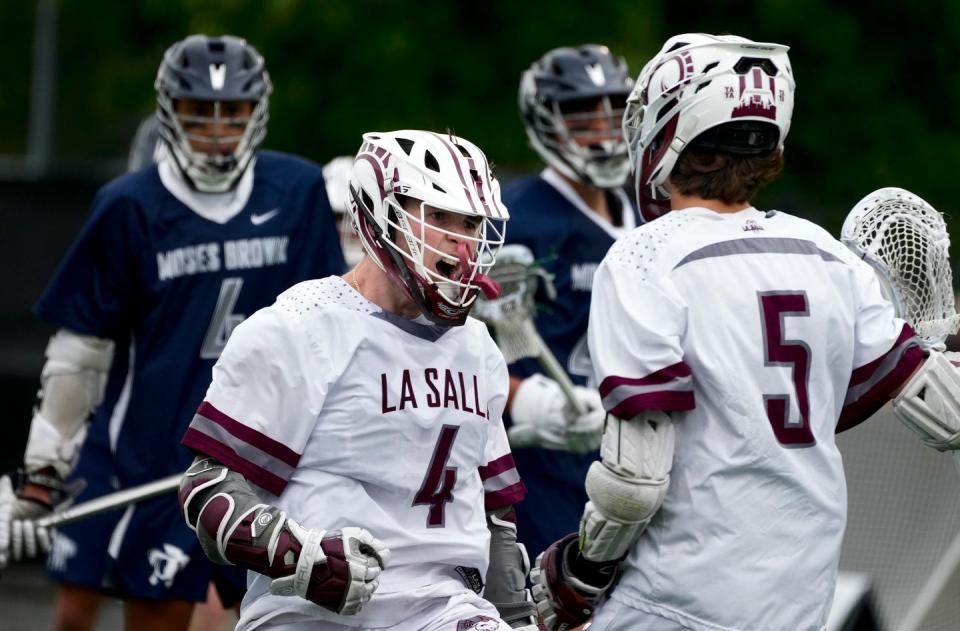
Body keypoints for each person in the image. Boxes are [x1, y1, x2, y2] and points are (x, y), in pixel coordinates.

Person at [531, 33, 960, 631]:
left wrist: (583, 568)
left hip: (673, 601)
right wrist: (938, 338)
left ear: (668, 125)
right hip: (801, 601)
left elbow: (635, 481)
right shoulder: (825, 253)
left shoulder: (644, 258)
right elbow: (949, 414)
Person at [3, 34, 346, 631]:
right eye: (199, 112)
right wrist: (41, 476)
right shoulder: (130, 204)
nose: (216, 129)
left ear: (255, 111)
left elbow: (336, 324)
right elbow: (79, 355)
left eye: (231, 112)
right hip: (162, 462)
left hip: (272, 456)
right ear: (169, 111)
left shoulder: (296, 190)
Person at [176, 130, 545, 630]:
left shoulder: (478, 347)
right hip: (313, 613)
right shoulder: (299, 325)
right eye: (437, 217)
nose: (462, 241)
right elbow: (210, 490)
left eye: (472, 222)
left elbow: (494, 515)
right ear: (381, 214)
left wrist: (517, 618)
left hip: (444, 608)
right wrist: (301, 558)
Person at [502, 44, 639, 559]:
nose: (603, 131)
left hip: (642, 456)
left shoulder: (650, 213)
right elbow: (455, 348)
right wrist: (526, 397)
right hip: (549, 458)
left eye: (613, 112)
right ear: (545, 121)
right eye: (583, 116)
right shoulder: (513, 218)